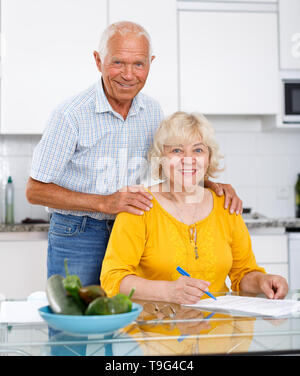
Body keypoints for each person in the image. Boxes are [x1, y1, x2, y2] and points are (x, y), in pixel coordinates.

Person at [26, 21, 242, 286]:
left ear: (150, 63)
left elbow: (170, 163)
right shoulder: (71, 115)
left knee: (129, 320)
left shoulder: (152, 111)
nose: (128, 74)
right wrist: (105, 203)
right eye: (118, 62)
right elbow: (34, 190)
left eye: (138, 64)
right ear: (98, 60)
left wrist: (211, 185)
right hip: (79, 233)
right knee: (80, 321)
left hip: (135, 230)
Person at [100, 111, 289, 302]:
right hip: (158, 327)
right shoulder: (139, 205)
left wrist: (263, 280)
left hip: (218, 327)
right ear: (160, 158)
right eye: (176, 150)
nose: (188, 159)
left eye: (198, 150)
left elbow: (243, 274)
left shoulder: (225, 205)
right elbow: (113, 279)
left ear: (208, 158)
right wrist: (168, 291)